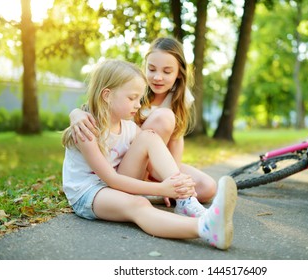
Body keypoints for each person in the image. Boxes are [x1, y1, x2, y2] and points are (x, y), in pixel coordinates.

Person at [62, 59, 237, 250]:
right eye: (132, 98)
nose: (138, 105)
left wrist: (178, 185)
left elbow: (155, 150)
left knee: (150, 136)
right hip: (89, 193)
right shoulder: (86, 130)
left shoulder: (127, 126)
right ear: (107, 95)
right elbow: (111, 179)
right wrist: (163, 189)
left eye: (140, 98)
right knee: (138, 204)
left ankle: (185, 200)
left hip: (114, 185)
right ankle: (206, 228)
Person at [69, 37, 217, 214]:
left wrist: (175, 179)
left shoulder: (180, 98)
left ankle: (163, 193)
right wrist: (75, 113)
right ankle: (148, 190)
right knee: (163, 117)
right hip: (127, 164)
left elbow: (176, 140)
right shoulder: (135, 87)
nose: (158, 77)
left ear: (179, 73)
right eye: (151, 69)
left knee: (207, 187)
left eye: (167, 71)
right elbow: (98, 105)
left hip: (156, 163)